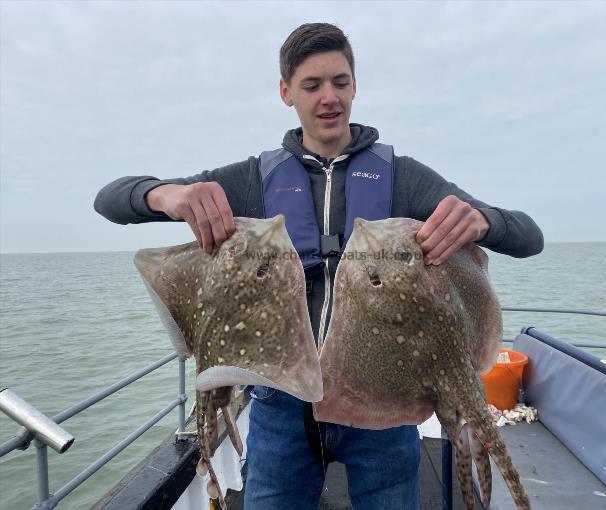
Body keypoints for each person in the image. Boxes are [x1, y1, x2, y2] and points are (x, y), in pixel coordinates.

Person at [95, 22, 543, 510]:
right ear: (286, 92)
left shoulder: (403, 179)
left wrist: (483, 219)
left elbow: (528, 236)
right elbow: (111, 201)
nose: (329, 97)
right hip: (280, 407)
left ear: (355, 85)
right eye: (312, 85)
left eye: (340, 82)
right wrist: (168, 194)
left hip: (385, 405)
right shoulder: (253, 180)